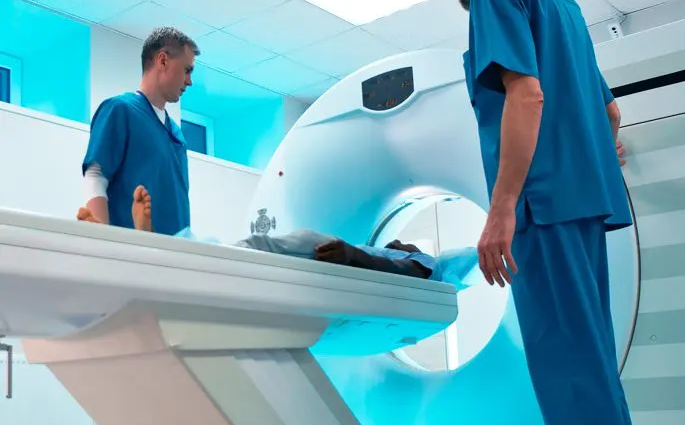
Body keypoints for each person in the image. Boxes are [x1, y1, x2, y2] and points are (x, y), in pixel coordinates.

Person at [444, 0, 667, 425]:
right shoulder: (560, 1)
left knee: (569, 370)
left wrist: (503, 207)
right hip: (583, 201)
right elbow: (608, 112)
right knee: (592, 365)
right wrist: (589, 158)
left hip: (542, 204)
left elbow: (527, 94)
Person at [81, 26, 199, 425]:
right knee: (128, 396)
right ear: (161, 61)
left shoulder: (173, 131)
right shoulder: (120, 110)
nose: (189, 81)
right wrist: (112, 251)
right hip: (133, 268)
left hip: (171, 269)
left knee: (164, 394)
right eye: (187, 69)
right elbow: (96, 179)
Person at [77, 186, 441, 281]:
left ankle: (151, 245)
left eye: (402, 244)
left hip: (332, 252)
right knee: (248, 249)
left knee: (254, 247)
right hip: (335, 250)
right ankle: (152, 245)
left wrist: (353, 254)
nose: (397, 241)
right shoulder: (393, 252)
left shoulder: (425, 263)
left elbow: (410, 271)